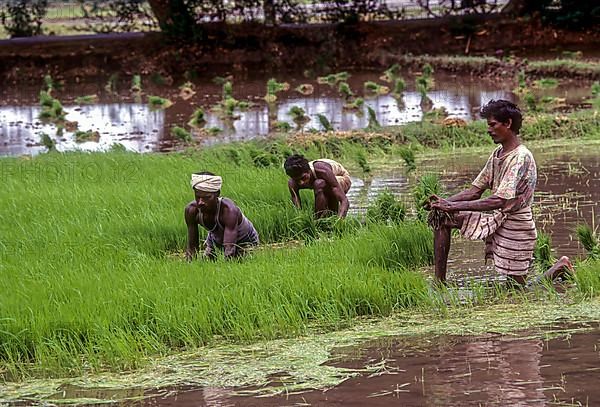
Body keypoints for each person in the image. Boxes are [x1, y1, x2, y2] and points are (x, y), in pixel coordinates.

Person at [427, 99, 573, 286]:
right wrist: (442, 203)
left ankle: (561, 266)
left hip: (517, 225)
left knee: (518, 290)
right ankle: (439, 283)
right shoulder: (498, 154)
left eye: (493, 124)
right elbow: (474, 191)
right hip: (497, 219)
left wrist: (451, 205)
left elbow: (499, 200)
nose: (489, 130)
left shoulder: (521, 157)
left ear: (508, 123)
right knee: (442, 219)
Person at [185, 172, 259, 261]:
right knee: (206, 264)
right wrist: (191, 264)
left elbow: (229, 250)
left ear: (217, 194)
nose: (201, 202)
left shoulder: (229, 211)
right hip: (216, 241)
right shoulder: (192, 210)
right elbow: (192, 247)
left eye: (206, 197)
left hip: (244, 242)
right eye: (198, 197)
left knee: (239, 262)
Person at [284, 154, 351, 218]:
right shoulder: (292, 183)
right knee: (320, 185)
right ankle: (323, 219)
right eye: (297, 180)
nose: (301, 183)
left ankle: (320, 220)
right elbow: (297, 209)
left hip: (342, 178)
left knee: (319, 184)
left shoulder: (322, 171)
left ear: (309, 171)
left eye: (303, 178)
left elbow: (344, 201)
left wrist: (339, 222)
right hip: (326, 182)